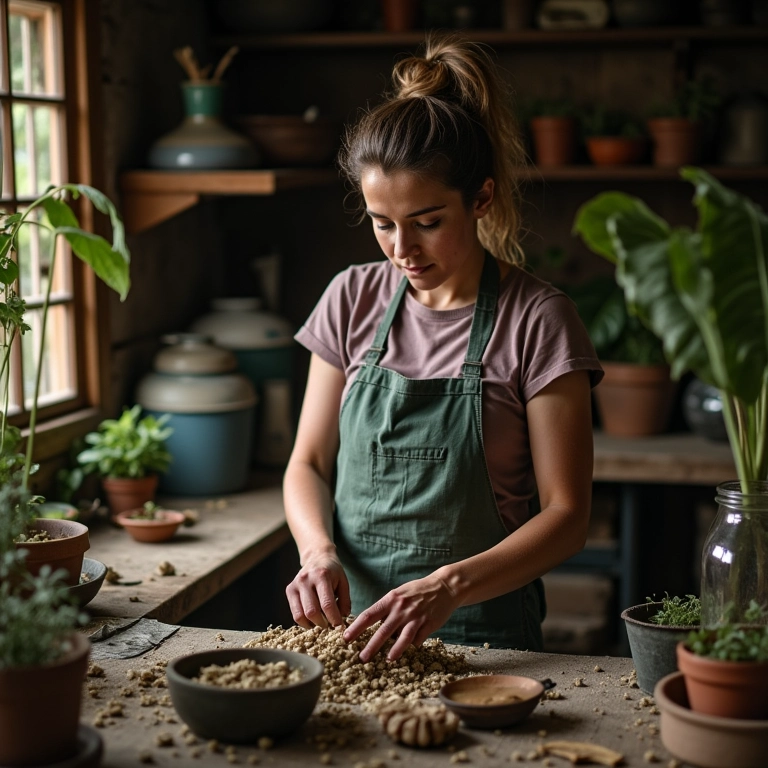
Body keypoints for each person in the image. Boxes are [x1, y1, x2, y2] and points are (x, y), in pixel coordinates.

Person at [283, 33, 603, 663]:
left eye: (427, 222)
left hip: (487, 640)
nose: (402, 249)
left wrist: (445, 587)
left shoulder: (539, 319)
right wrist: (317, 551)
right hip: (352, 636)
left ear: (480, 198)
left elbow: (567, 516)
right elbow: (309, 464)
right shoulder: (351, 299)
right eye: (382, 223)